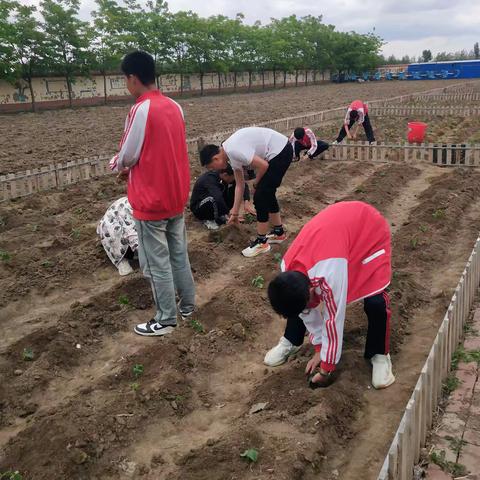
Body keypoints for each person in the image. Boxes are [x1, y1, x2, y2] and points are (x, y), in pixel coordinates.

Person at [265, 201, 395, 390]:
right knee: (293, 301)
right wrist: (319, 348)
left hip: (367, 230)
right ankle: (292, 340)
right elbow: (305, 311)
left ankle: (380, 354)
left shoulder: (329, 273)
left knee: (375, 298)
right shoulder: (287, 269)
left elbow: (334, 318)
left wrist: (326, 367)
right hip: (336, 238)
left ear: (311, 290)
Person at [109, 50, 195, 337]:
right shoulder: (175, 106)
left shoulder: (141, 109)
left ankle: (166, 319)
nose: (126, 84)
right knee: (179, 254)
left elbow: (129, 154)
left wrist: (119, 165)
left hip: (151, 199)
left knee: (156, 261)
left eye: (125, 79)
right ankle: (188, 306)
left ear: (133, 78)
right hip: (175, 195)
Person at [199, 127, 293, 258]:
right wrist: (235, 212)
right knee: (267, 193)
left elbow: (264, 165)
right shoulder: (230, 154)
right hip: (279, 150)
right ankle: (279, 233)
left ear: (215, 159)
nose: (213, 170)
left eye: (211, 167)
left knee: (261, 196)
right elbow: (240, 185)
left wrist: (256, 184)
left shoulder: (234, 150)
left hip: (280, 151)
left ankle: (262, 242)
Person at [190, 165, 254, 230]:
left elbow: (242, 185)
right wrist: (229, 213)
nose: (234, 179)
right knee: (212, 199)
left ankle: (224, 215)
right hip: (199, 207)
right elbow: (217, 198)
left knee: (235, 189)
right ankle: (210, 219)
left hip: (215, 203)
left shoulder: (223, 178)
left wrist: (246, 201)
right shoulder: (210, 179)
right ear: (225, 175)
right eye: (233, 177)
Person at [97, 197, 138, 276]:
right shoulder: (131, 211)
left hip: (125, 224)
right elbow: (134, 238)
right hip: (112, 232)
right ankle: (122, 261)